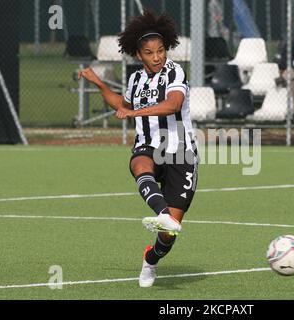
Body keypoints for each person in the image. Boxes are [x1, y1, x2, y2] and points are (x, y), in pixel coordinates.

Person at [78, 10, 198, 288]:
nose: (157, 57)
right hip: (148, 144)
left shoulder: (175, 71)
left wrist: (134, 114)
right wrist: (98, 82)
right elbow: (123, 105)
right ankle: (162, 214)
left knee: (169, 237)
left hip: (181, 151)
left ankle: (151, 259)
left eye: (160, 51)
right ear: (138, 54)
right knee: (139, 164)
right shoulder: (136, 80)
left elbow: (173, 105)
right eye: (149, 52)